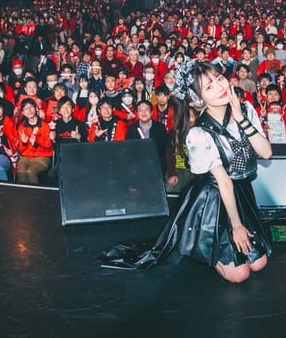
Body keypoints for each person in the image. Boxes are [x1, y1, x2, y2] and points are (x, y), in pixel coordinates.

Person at [99, 60, 273, 284]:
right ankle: (205, 246)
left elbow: (266, 153)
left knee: (259, 263)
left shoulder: (246, 109)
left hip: (240, 194)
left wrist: (240, 118)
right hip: (213, 200)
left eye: (219, 79)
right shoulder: (199, 134)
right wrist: (237, 227)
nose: (220, 87)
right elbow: (224, 182)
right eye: (209, 86)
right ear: (199, 99)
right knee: (240, 275)